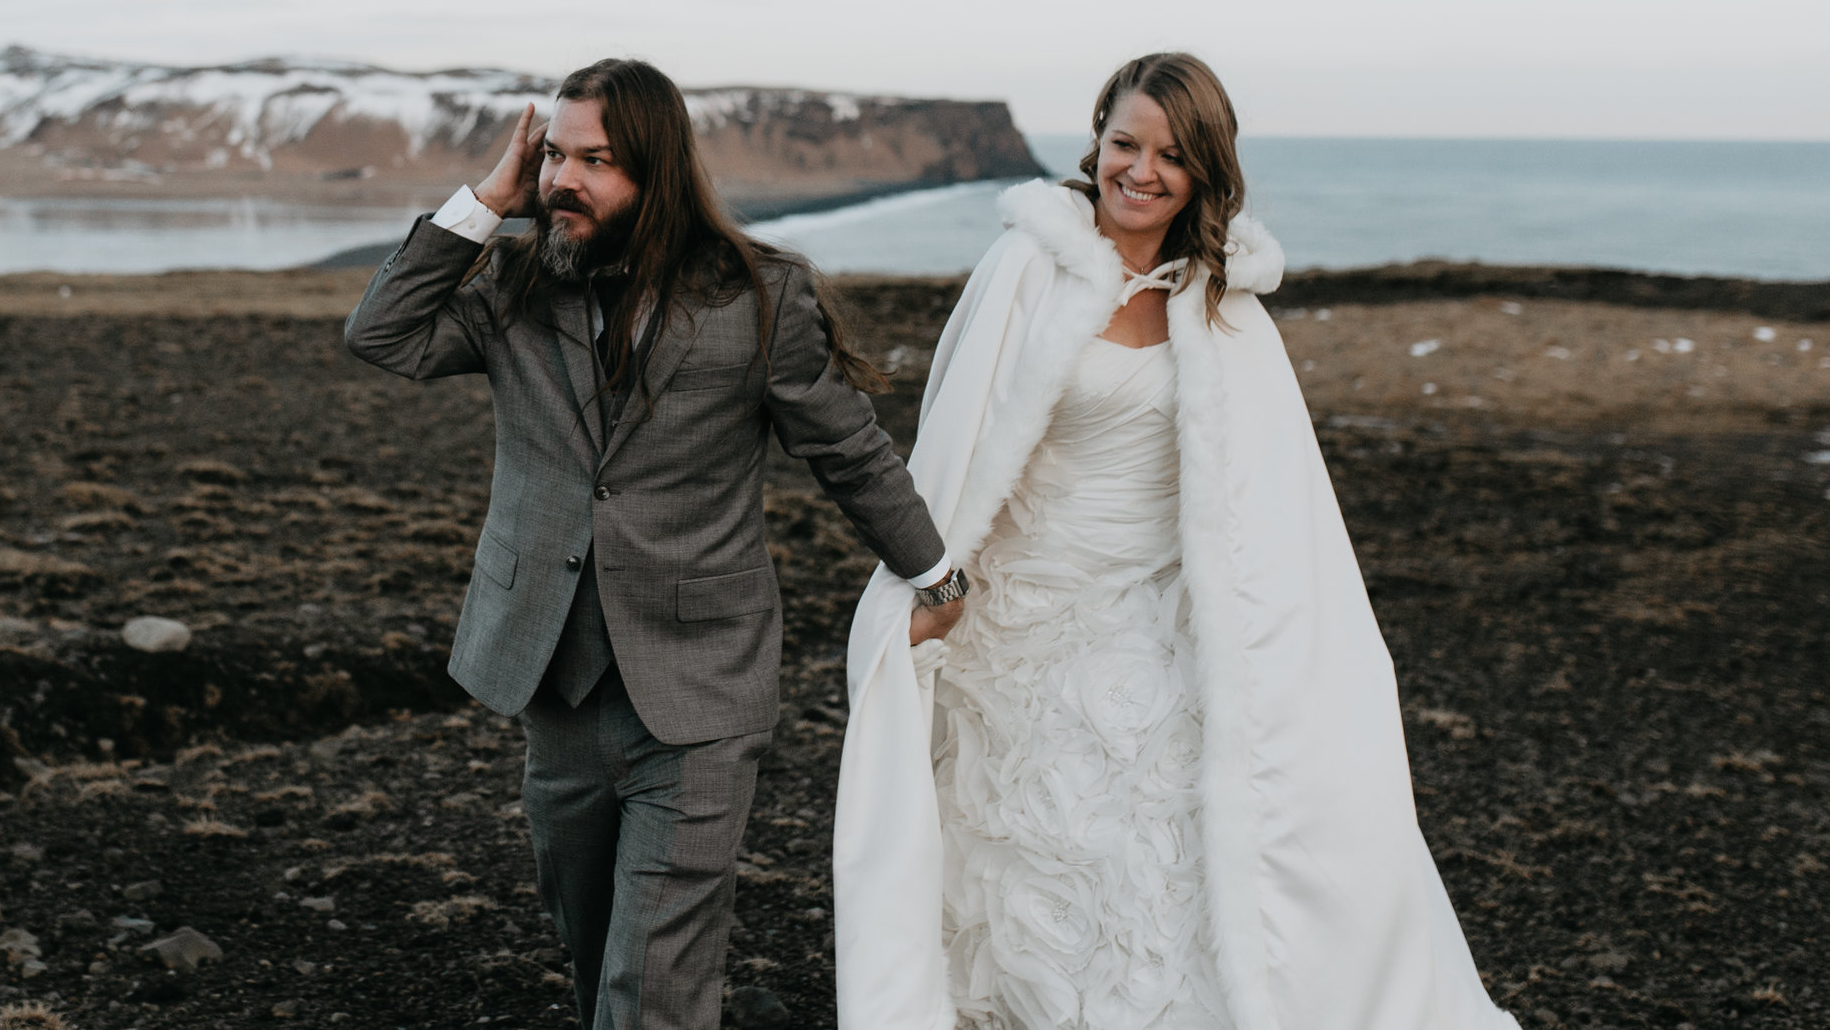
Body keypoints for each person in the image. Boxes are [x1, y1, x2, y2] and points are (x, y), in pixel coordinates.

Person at [834, 53, 1518, 1030]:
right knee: (1024, 863)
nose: (1139, 171)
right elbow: (961, 440)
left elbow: (1271, 492)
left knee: (1155, 865)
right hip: (1020, 630)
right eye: (1123, 143)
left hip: (1155, 626)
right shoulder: (1029, 265)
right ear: (1096, 139)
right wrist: (930, 587)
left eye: (1169, 154)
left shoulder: (1220, 297)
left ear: (1203, 169)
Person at [345, 57, 972, 1030]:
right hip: (552, 679)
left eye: (596, 159)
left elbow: (847, 449)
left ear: (657, 170)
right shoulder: (514, 284)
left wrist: (933, 570)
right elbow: (382, 334)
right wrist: (484, 199)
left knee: (653, 981)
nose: (565, 178)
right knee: (592, 943)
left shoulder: (759, 298)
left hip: (700, 690)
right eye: (554, 152)